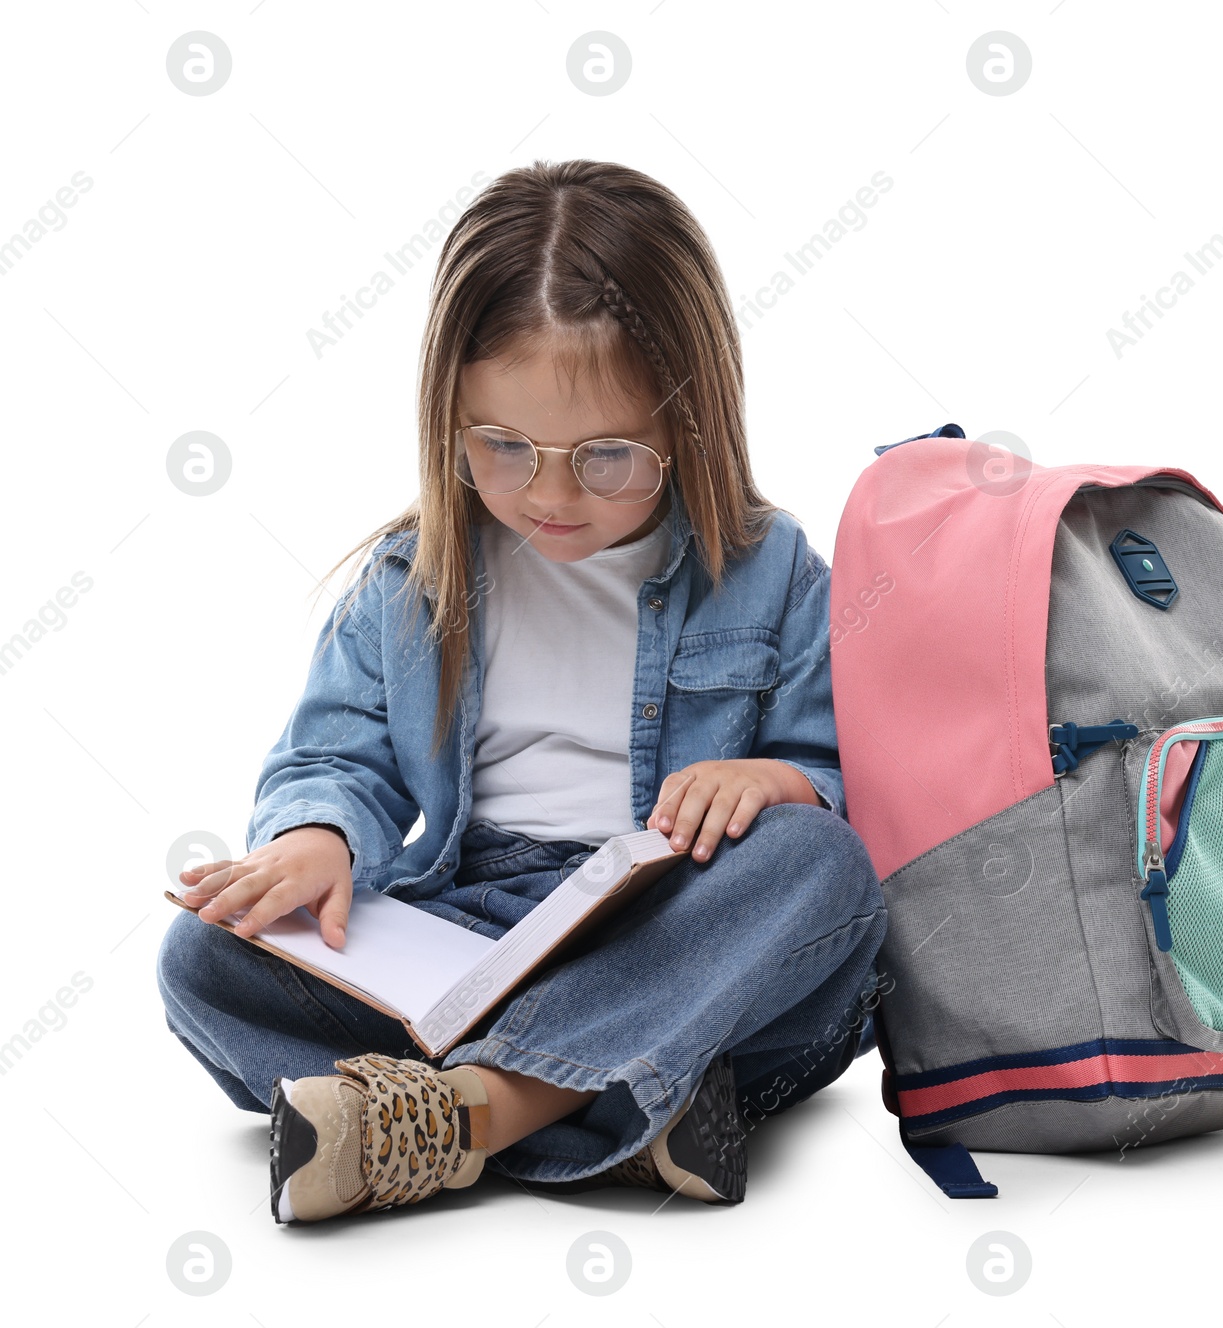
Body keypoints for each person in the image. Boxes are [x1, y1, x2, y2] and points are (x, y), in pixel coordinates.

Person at [155, 159, 888, 1224]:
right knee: (202, 955)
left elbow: (837, 777)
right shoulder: (414, 579)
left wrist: (774, 777)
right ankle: (613, 1110)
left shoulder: (769, 569)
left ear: (689, 417)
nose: (547, 493)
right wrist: (318, 835)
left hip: (661, 917)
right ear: (447, 414)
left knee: (819, 870)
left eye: (604, 455)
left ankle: (463, 1115)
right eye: (503, 446)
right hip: (468, 919)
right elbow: (332, 755)